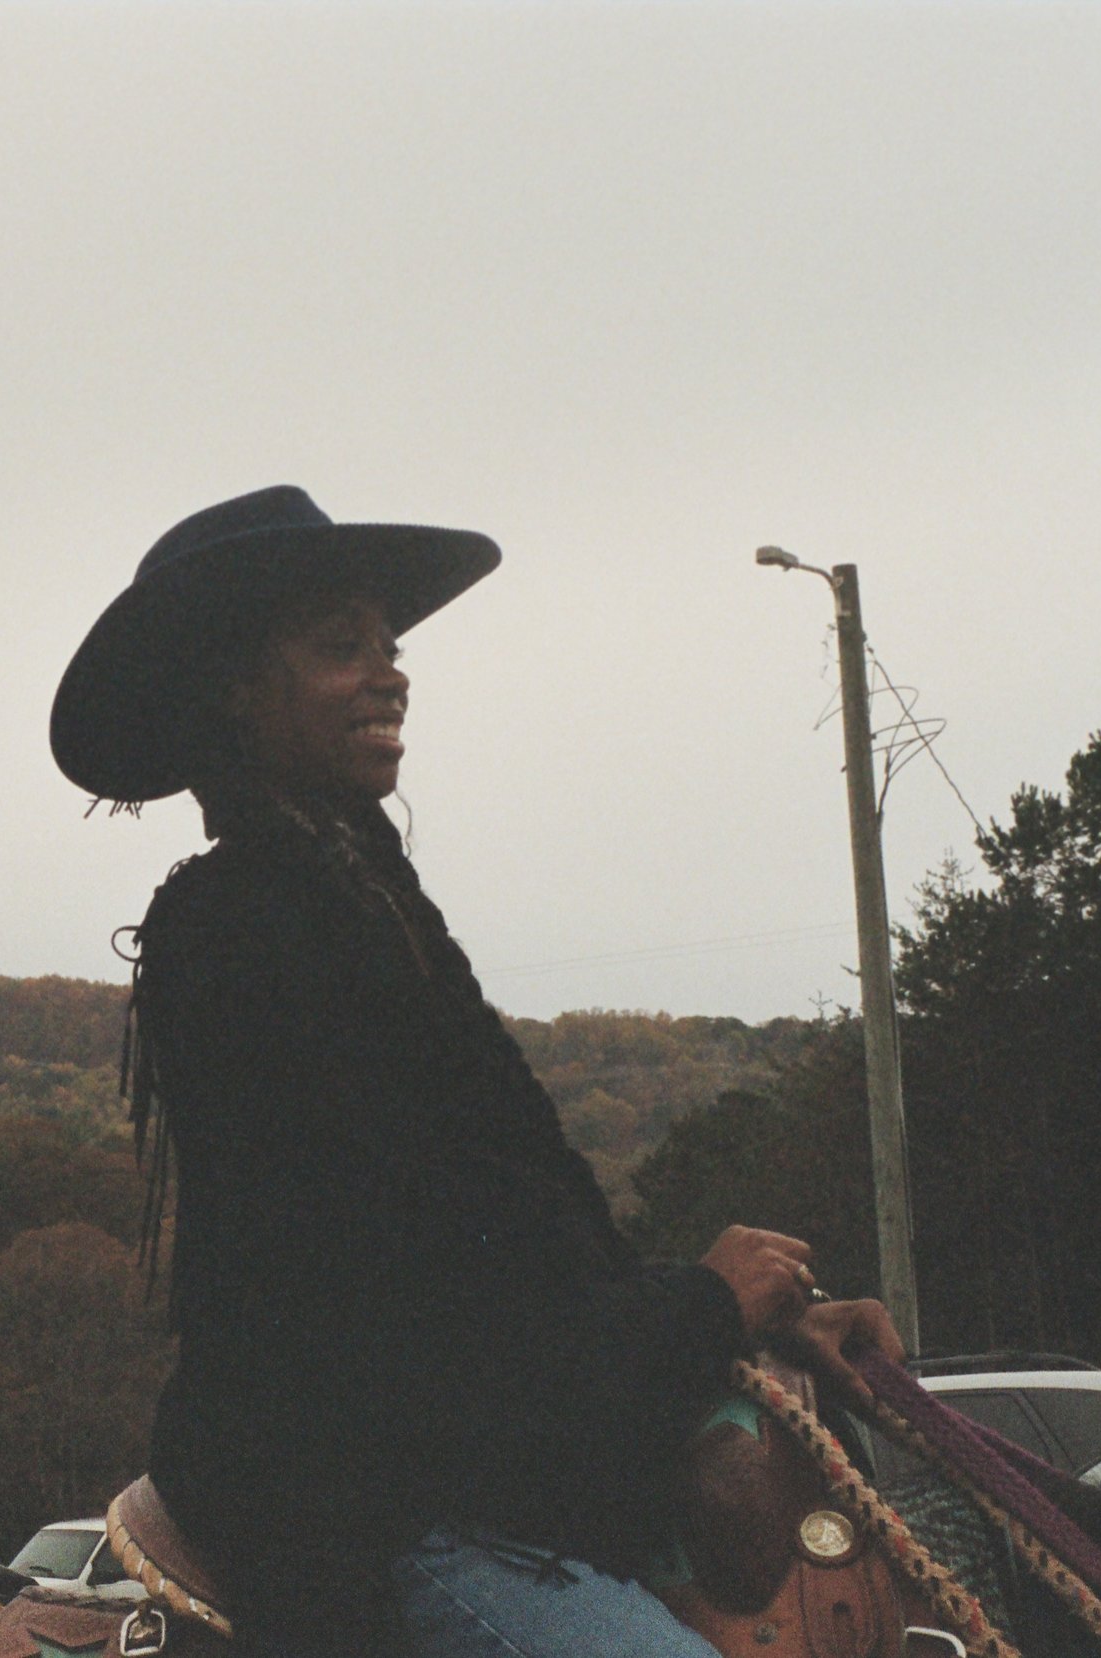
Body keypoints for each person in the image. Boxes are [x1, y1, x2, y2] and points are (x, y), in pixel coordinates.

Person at [47, 486, 905, 1657]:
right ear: (234, 691)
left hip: (454, 1480)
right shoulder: (233, 930)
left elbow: (501, 1245)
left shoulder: (363, 898)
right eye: (339, 647)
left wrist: (750, 1328)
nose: (390, 674)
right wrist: (700, 1302)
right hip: (367, 1514)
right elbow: (380, 1318)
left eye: (389, 647)